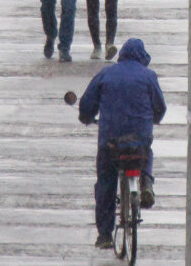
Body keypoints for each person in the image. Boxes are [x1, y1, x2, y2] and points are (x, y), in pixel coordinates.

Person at [77, 38, 167, 250]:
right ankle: (146, 182)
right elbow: (160, 108)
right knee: (146, 151)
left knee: (106, 183)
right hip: (139, 139)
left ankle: (106, 235)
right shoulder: (148, 76)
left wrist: (86, 117)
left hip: (111, 142)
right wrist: (152, 119)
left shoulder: (106, 74)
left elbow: (87, 104)